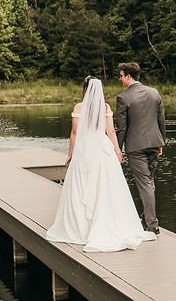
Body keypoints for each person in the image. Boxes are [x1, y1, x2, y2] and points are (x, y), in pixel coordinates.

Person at [46, 76, 156, 252]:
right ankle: (110, 222)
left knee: (82, 185)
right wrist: (118, 152)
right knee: (106, 187)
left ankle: (81, 227)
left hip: (84, 148)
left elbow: (74, 133)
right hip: (102, 149)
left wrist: (70, 154)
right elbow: (111, 131)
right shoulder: (105, 107)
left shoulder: (79, 108)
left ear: (85, 89)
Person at [115, 62, 165, 235]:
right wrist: (161, 142)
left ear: (129, 76)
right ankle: (146, 218)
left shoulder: (123, 97)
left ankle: (152, 225)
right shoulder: (154, 92)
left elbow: (122, 128)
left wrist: (118, 149)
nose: (120, 79)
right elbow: (161, 121)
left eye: (121, 75)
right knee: (149, 182)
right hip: (153, 143)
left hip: (136, 147)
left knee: (145, 184)